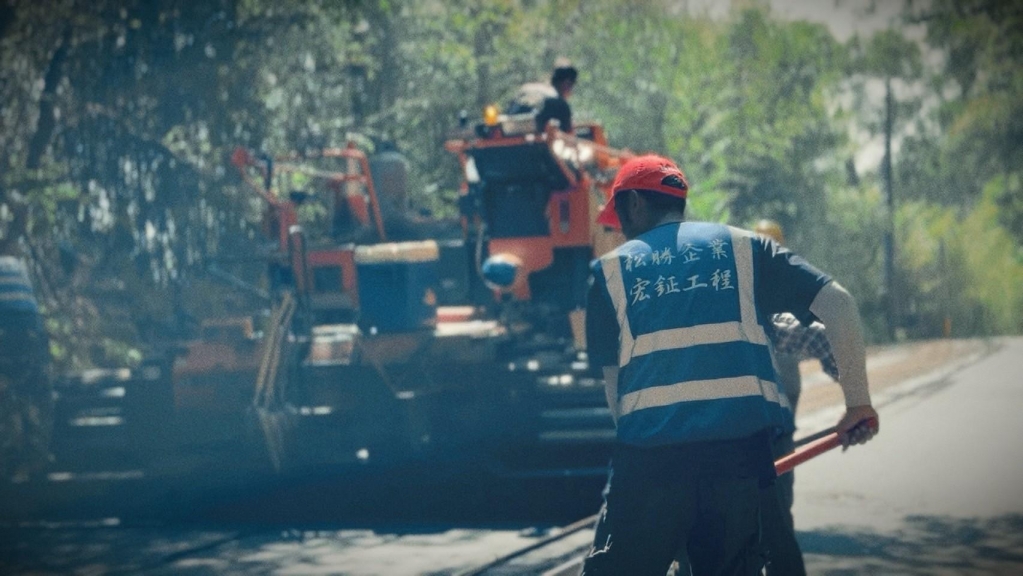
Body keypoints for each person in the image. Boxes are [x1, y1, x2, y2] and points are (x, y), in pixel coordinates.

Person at [582, 155, 879, 575]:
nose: (620, 231)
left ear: (634, 206)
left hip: (651, 463)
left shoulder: (609, 272)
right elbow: (840, 304)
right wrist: (857, 404)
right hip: (741, 462)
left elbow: (616, 391)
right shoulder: (747, 248)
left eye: (619, 218)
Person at [0, 252, 54, 480]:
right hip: (31, 331)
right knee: (33, 394)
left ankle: (16, 462)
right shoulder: (16, 264)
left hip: (10, 327)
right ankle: (31, 460)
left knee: (10, 395)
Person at [508, 58, 577, 133]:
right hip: (541, 141)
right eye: (571, 85)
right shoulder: (559, 103)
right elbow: (570, 136)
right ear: (566, 84)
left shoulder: (526, 89)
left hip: (510, 133)